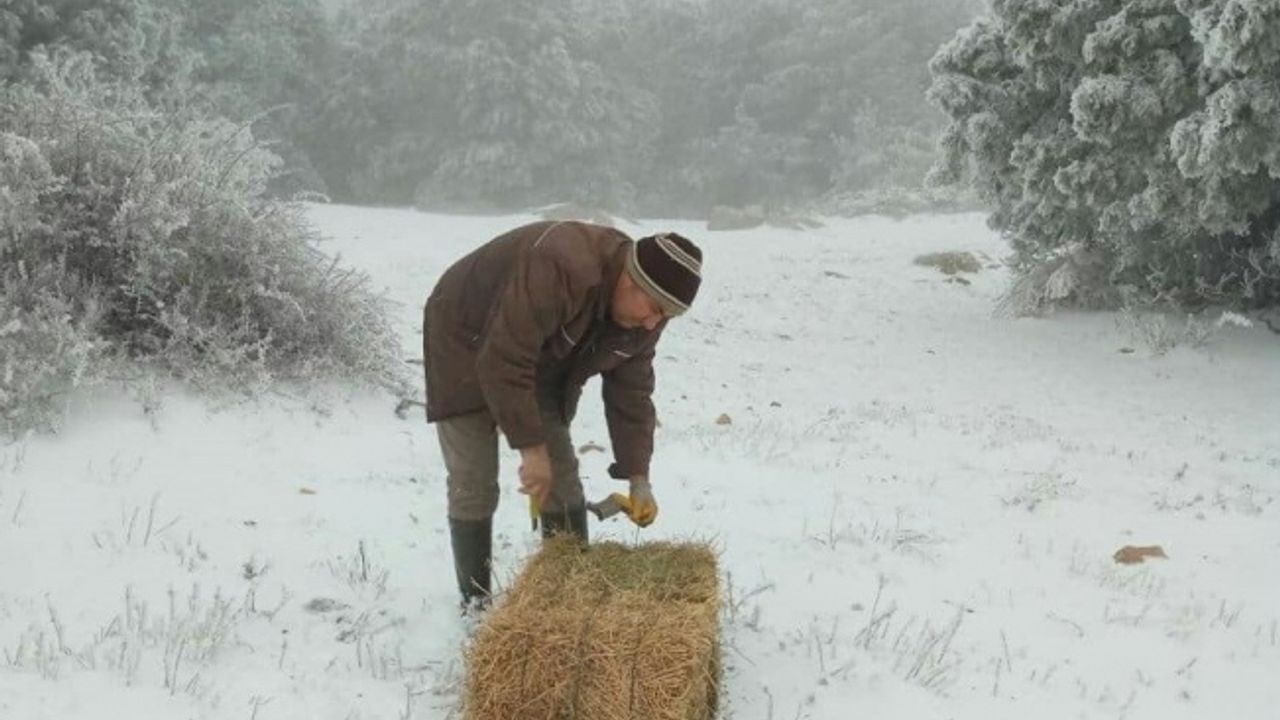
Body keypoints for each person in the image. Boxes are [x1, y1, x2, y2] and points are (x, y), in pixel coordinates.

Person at [422, 220, 703, 607]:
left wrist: (639, 478)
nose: (654, 323)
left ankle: (568, 600)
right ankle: (475, 602)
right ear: (630, 279)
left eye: (667, 316)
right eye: (655, 308)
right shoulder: (562, 265)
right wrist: (531, 450)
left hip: (538, 353)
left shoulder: (646, 317)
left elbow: (632, 395)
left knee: (561, 478)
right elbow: (503, 359)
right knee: (474, 480)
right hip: (463, 331)